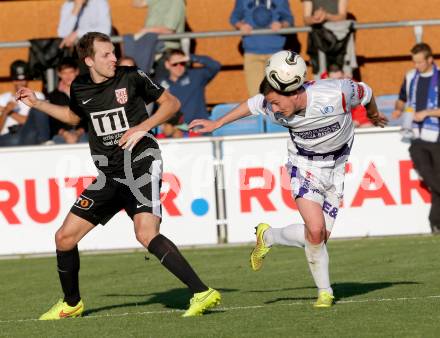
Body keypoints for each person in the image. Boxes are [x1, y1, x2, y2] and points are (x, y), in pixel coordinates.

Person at [16, 32, 221, 320]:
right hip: (109, 174)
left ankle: (202, 292)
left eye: (113, 53)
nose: (113, 58)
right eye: (106, 55)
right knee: (64, 238)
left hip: (141, 163)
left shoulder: (131, 76)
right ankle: (71, 303)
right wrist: (38, 104)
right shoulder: (80, 87)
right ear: (89, 60)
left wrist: (142, 127)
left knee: (145, 233)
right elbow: (75, 118)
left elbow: (172, 105)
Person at [189, 51, 387, 307]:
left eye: (275, 103)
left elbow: (366, 92)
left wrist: (372, 114)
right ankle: (325, 293)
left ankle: (268, 236)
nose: (272, 109)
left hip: (337, 168)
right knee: (315, 231)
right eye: (270, 103)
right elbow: (252, 104)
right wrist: (217, 124)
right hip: (303, 167)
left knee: (319, 237)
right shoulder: (275, 105)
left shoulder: (336, 93)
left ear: (294, 92)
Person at [392, 43, 440, 234]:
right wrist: (398, 108)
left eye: (420, 62)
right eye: (414, 62)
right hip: (416, 138)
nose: (417, 65)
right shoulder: (411, 76)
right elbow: (402, 97)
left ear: (430, 60)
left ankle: (435, 223)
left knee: (437, 181)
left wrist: (427, 113)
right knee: (431, 179)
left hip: (437, 138)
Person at [230, 0, 294, 96]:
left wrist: (282, 24)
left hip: (275, 53)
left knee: (277, 94)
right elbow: (234, 17)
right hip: (252, 53)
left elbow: (289, 19)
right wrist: (241, 25)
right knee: (256, 96)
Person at [159, 49, 221, 123]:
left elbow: (215, 66)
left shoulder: (195, 76)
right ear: (167, 65)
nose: (179, 66)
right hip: (175, 130)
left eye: (182, 63)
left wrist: (191, 57)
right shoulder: (161, 82)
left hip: (200, 127)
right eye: (175, 64)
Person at [302, 0, 357, 78]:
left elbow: (342, 15)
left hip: (340, 39)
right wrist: (315, 18)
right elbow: (306, 18)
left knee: (340, 76)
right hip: (318, 38)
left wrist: (327, 16)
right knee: (321, 75)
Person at [0, 60, 47, 147]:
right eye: (17, 79)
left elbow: (33, 122)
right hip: (6, 138)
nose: (20, 82)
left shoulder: (37, 96)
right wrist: (5, 112)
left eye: (23, 79)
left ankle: (45, 145)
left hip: (28, 136)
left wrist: (9, 111)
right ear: (13, 80)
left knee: (39, 111)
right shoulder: (2, 98)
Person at [324, 64, 372, 128]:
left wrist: (357, 121)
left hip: (352, 122)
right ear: (327, 78)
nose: (337, 83)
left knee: (367, 126)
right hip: (331, 125)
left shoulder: (353, 87)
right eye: (333, 80)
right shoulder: (320, 90)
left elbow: (361, 109)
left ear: (344, 75)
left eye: (340, 79)